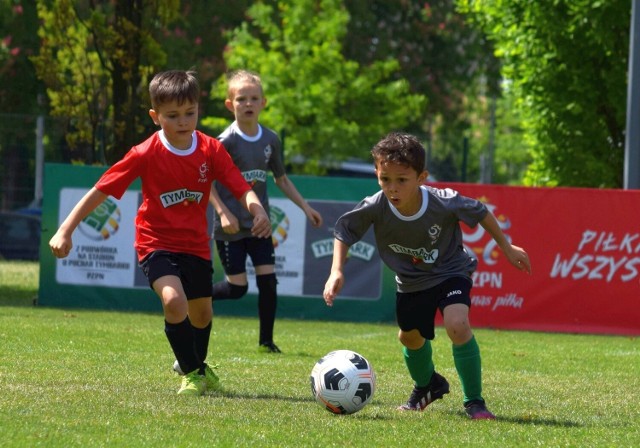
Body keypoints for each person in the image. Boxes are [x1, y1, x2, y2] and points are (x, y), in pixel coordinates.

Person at [49, 70, 271, 396]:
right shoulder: (145, 153)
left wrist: (257, 208)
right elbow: (100, 190)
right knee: (173, 300)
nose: (183, 121)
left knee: (202, 313)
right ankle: (194, 374)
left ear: (198, 108)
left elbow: (240, 187)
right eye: (173, 115)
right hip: (156, 243)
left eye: (190, 113)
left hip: (195, 245)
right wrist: (66, 229)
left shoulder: (210, 150)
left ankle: (196, 366)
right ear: (155, 116)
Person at [322, 132, 531, 419]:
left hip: (451, 270)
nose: (392, 188)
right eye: (385, 179)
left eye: (402, 180)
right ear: (377, 174)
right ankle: (428, 385)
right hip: (410, 281)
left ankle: (475, 402)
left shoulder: (444, 202)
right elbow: (343, 231)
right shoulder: (375, 205)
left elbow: (480, 211)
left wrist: (506, 247)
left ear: (422, 177)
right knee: (409, 338)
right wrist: (336, 271)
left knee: (457, 325)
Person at [209, 69, 323, 353]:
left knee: (268, 282)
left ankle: (266, 342)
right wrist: (223, 212)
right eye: (241, 99)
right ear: (229, 104)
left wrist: (306, 207)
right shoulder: (225, 142)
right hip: (231, 227)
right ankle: (196, 295)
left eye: (253, 98)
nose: (248, 104)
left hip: (259, 224)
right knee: (237, 289)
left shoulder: (271, 140)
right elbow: (206, 182)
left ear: (263, 103)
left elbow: (281, 179)